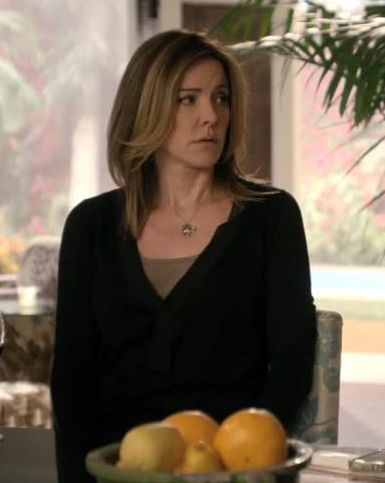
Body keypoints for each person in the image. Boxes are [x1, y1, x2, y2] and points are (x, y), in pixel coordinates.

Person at [51, 29, 317, 481]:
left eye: (221, 98)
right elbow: (72, 381)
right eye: (187, 100)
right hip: (120, 468)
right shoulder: (90, 226)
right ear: (146, 109)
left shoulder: (271, 216)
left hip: (232, 467)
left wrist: (243, 466)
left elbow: (292, 364)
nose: (211, 116)